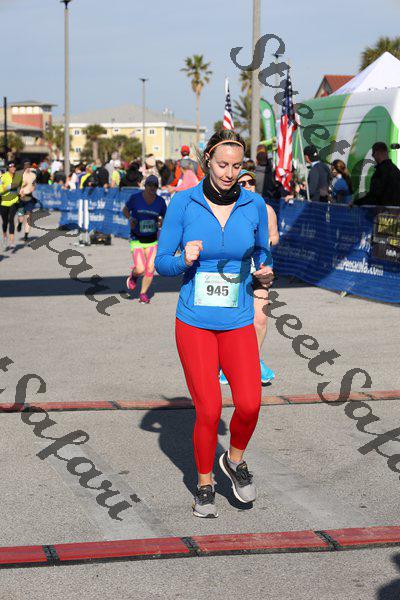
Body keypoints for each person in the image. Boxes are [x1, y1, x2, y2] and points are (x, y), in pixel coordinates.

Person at [155, 129, 274, 518]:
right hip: (195, 322)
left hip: (237, 319)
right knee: (208, 410)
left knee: (250, 403)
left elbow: (262, 252)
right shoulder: (184, 202)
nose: (229, 173)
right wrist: (184, 260)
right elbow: (162, 262)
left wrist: (265, 271)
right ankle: (204, 485)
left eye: (236, 166)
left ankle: (234, 461)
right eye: (222, 164)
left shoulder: (254, 204)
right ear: (207, 160)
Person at [219, 169, 279, 386]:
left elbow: (275, 236)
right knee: (233, 319)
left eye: (250, 182)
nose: (247, 186)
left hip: (260, 268)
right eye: (242, 183)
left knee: (260, 318)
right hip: (235, 270)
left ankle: (254, 361)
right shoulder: (229, 209)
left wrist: (267, 242)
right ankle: (228, 364)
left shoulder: (266, 209)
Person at [122, 175, 167, 304]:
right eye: (150, 185)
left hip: (152, 240)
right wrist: (130, 218)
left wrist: (161, 222)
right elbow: (125, 210)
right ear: (145, 185)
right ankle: (134, 275)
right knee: (140, 269)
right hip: (136, 239)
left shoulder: (160, 202)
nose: (152, 187)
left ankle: (143, 294)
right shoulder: (136, 198)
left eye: (155, 185)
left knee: (151, 268)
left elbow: (165, 217)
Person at [354, 142, 400, 206]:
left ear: (376, 153)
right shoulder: (396, 170)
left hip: (383, 210)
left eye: (373, 154)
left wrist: (356, 203)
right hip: (395, 210)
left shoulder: (380, 172)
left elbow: (374, 196)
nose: (373, 157)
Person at [0, 162, 23, 250]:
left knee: (11, 220)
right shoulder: (3, 176)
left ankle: (12, 241)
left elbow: (21, 186)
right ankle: (4, 236)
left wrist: (22, 191)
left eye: (14, 166)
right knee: (5, 222)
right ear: (8, 168)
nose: (13, 168)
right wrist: (8, 187)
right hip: (4, 202)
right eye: (11, 167)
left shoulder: (18, 176)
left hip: (14, 201)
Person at [17, 161, 37, 243]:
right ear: (24, 167)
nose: (27, 167)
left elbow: (34, 185)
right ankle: (20, 223)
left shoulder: (33, 175)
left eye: (29, 166)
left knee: (28, 217)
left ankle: (26, 236)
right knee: (20, 215)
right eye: (26, 166)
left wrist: (32, 189)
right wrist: (21, 189)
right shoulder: (20, 175)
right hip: (21, 198)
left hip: (29, 198)